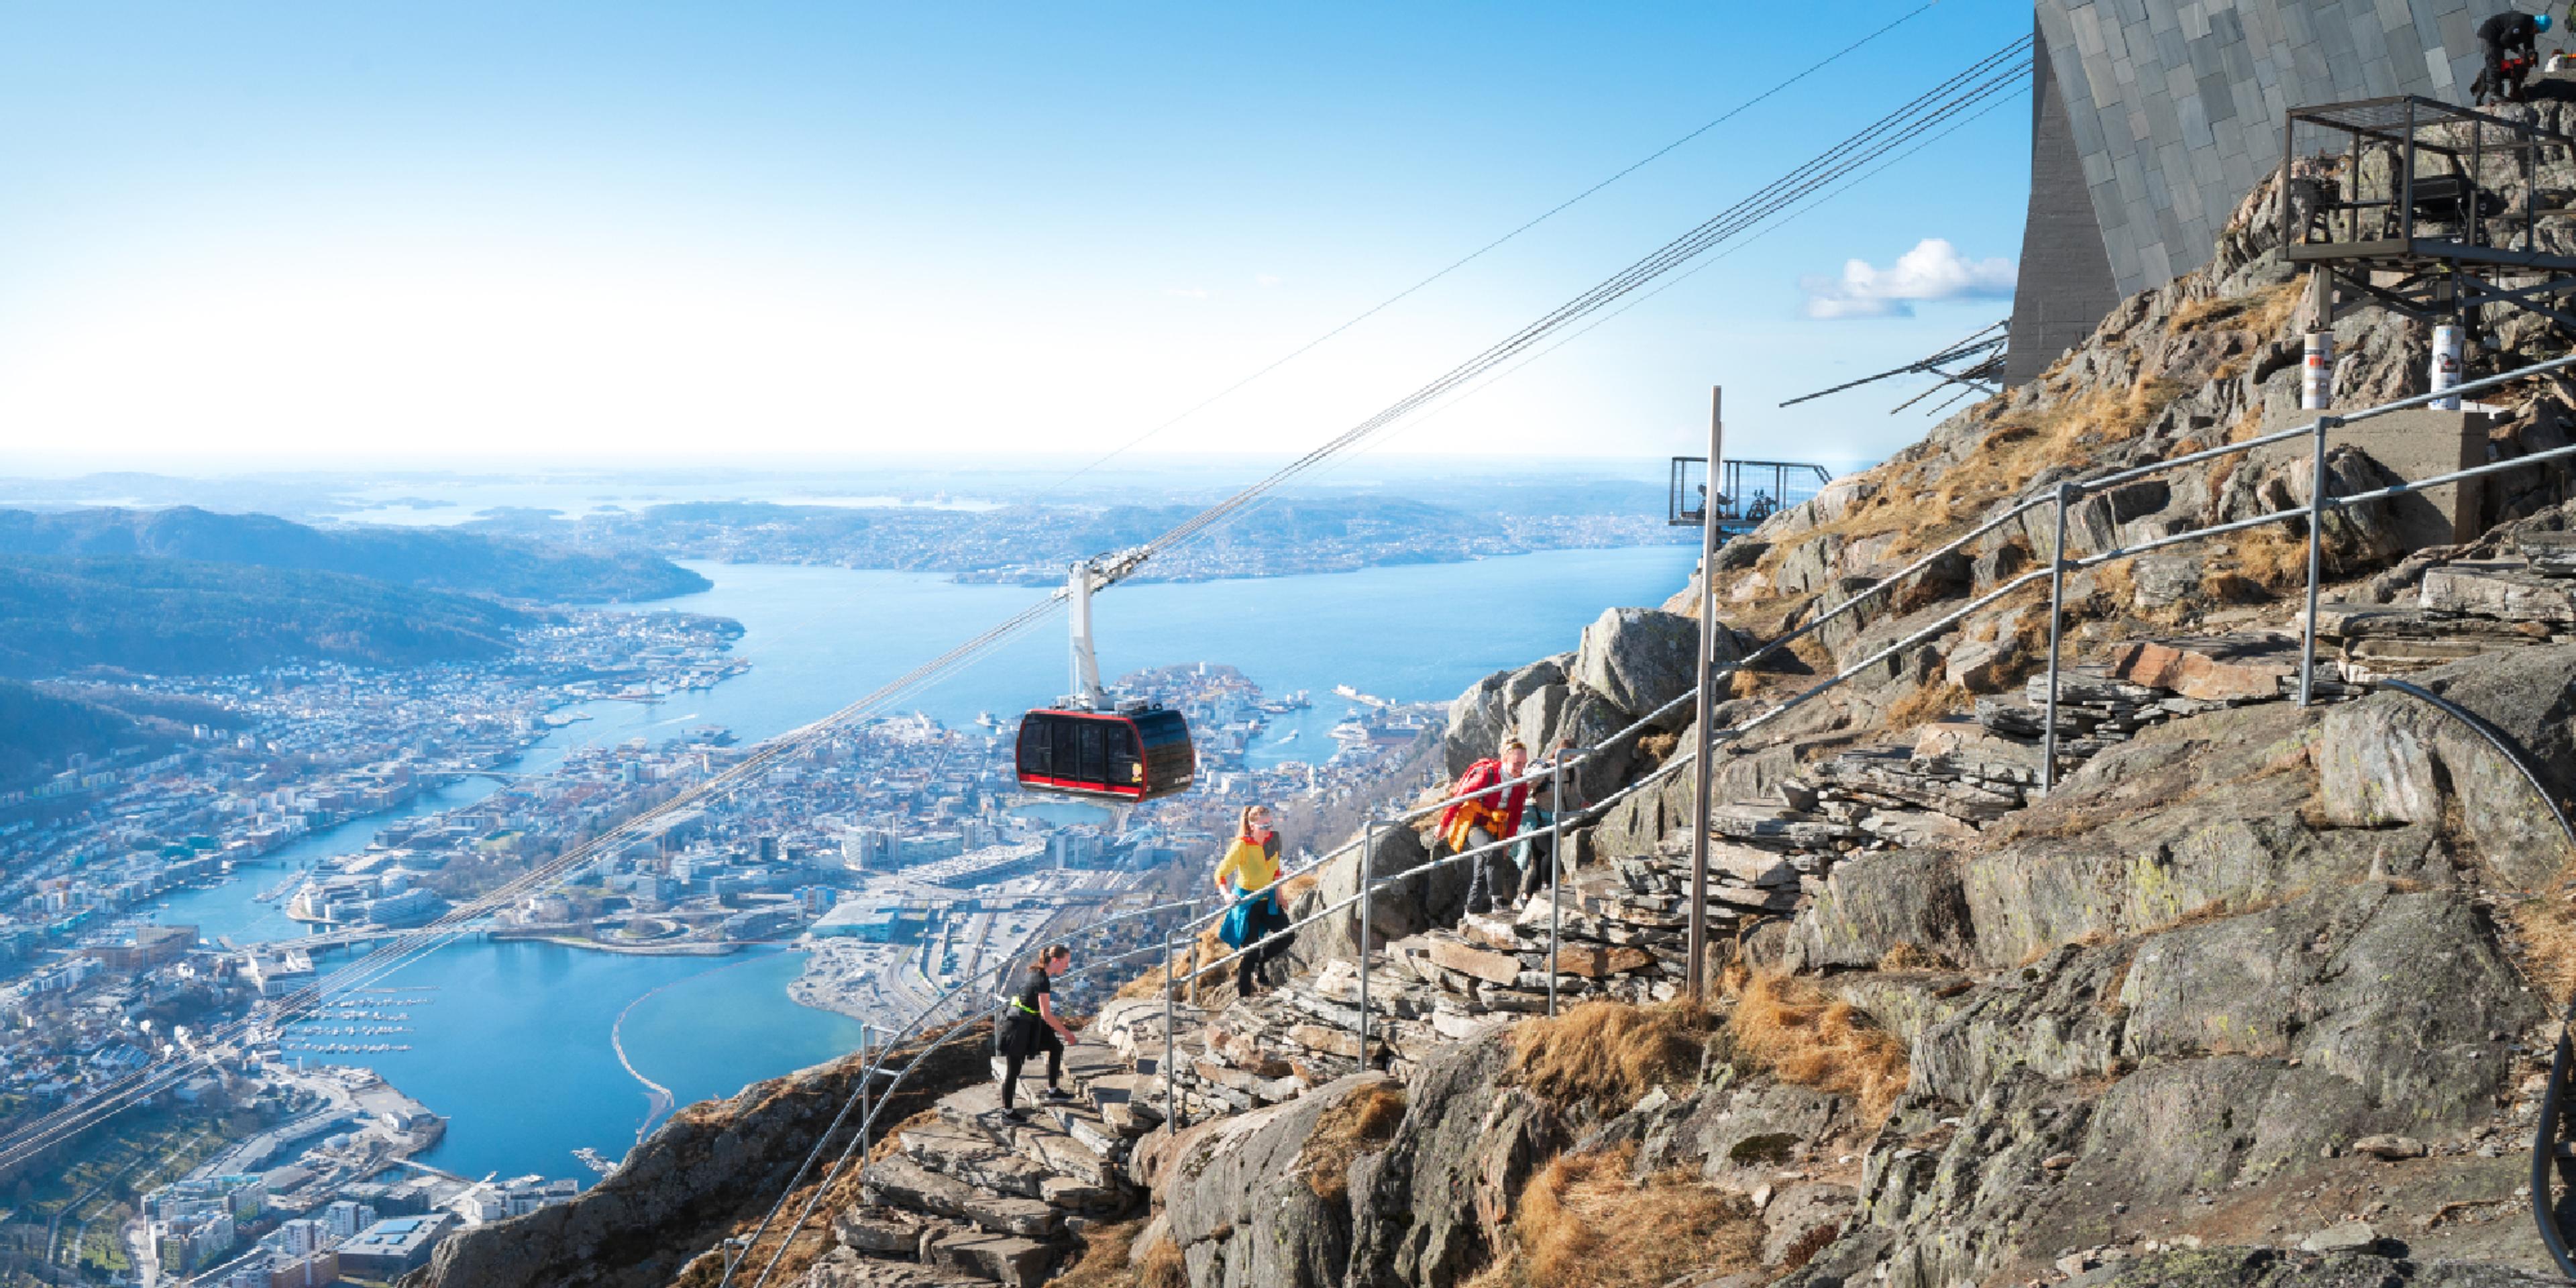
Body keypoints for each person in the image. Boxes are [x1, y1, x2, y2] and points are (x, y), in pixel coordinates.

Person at [1440, 739, 1532, 916]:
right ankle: (1497, 901)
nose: (1521, 768)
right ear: (1505, 760)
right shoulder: (1488, 775)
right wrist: (1444, 824)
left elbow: (1515, 817)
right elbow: (1460, 796)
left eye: (1524, 764)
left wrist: (1508, 842)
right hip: (1474, 824)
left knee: (1482, 872)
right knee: (1492, 850)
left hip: (1494, 827)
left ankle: (1470, 912)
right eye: (1517, 763)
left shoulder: (1520, 784)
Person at [1214, 804, 1289, 997]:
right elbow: (1220, 873)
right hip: (1247, 902)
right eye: (1263, 826)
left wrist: (1279, 895)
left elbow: (1276, 871)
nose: (1268, 829)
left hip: (1268, 898)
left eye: (1270, 824)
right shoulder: (1242, 846)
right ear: (1252, 826)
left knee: (1288, 935)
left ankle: (1262, 964)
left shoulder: (1274, 839)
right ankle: (1244, 998)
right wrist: (1227, 895)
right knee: (1250, 953)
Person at [998, 943, 1078, 1121]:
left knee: (1055, 1047)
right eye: (1065, 963)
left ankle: (1053, 1091)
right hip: (1018, 1027)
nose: (1067, 967)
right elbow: (1047, 1015)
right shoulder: (1042, 980)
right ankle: (1007, 1113)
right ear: (1055, 961)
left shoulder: (1036, 972)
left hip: (1029, 1022)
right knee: (1013, 1070)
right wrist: (1067, 1034)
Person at [1514, 741, 1584, 910]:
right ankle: (1548, 888)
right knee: (1550, 855)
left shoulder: (1573, 771)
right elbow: (1525, 785)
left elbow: (1575, 792)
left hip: (1555, 819)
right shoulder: (1544, 769)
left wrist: (1582, 802)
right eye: (1566, 755)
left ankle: (1525, 897)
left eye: (1571, 755)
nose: (1569, 759)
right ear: (1557, 753)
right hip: (1538, 819)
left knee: (1540, 863)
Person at [2477, 10, 2551, 103]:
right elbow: (2505, 40)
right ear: (2535, 25)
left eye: (2538, 32)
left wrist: (2532, 54)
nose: (2535, 33)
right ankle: (2495, 94)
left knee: (2499, 63)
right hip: (2489, 35)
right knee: (2494, 62)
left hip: (2498, 39)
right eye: (2536, 30)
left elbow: (2529, 45)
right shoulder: (2521, 23)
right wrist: (2519, 52)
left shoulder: (2530, 28)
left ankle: (2496, 91)